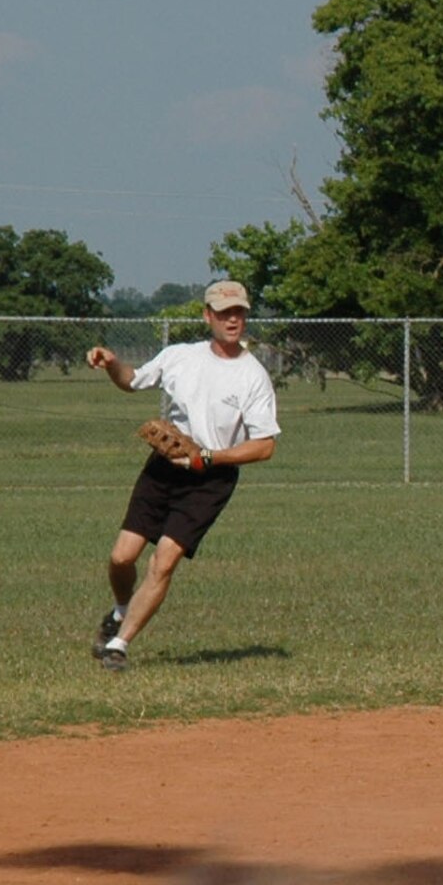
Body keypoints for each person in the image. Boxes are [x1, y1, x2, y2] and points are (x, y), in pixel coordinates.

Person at [84, 280, 280, 673]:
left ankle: (119, 645)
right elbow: (132, 380)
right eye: (224, 313)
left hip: (211, 478)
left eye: (238, 312)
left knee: (164, 561)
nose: (232, 320)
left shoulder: (253, 376)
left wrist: (209, 457)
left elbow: (264, 445)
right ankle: (122, 610)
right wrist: (111, 363)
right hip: (164, 468)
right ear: (207, 316)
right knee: (122, 557)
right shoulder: (180, 356)